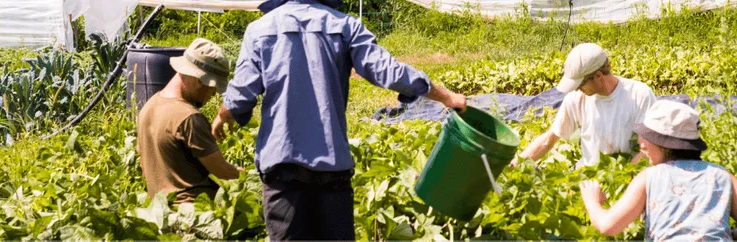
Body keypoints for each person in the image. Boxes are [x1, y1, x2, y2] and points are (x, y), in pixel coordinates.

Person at [209, 0, 469, 239]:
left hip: (282, 166)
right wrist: (446, 96)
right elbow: (388, 70)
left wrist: (224, 115)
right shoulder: (344, 25)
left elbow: (241, 94)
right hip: (331, 167)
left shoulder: (259, 30)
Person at [578, 101, 737, 241]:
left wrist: (592, 201)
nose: (642, 146)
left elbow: (608, 226)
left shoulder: (650, 178)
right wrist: (725, 234)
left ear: (664, 144)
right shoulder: (722, 175)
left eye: (646, 139)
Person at [136, 38, 244, 204]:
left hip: (161, 213)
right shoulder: (189, 117)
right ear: (199, 80)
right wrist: (249, 175)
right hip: (195, 217)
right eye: (212, 86)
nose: (214, 93)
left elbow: (145, 169)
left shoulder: (148, 107)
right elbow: (222, 172)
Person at [516, 43, 658, 167]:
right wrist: (517, 163)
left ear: (598, 76)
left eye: (581, 84)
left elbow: (650, 148)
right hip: (590, 174)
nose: (577, 89)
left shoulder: (639, 95)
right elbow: (549, 140)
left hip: (627, 173)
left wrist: (621, 178)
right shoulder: (576, 99)